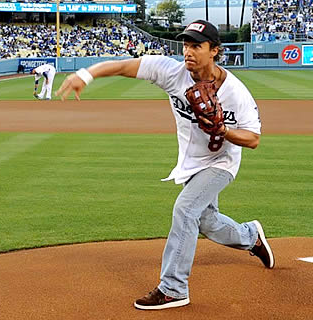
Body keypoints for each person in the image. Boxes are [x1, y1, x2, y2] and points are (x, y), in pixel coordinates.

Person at [56, 19, 275, 310]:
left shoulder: (235, 92)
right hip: (190, 162)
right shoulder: (171, 72)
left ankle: (173, 288)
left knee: (185, 209)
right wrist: (85, 74)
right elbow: (123, 66)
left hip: (221, 162)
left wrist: (224, 132)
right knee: (207, 222)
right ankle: (251, 237)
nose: (188, 51)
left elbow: (253, 139)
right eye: (186, 44)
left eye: (196, 45)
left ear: (215, 51)